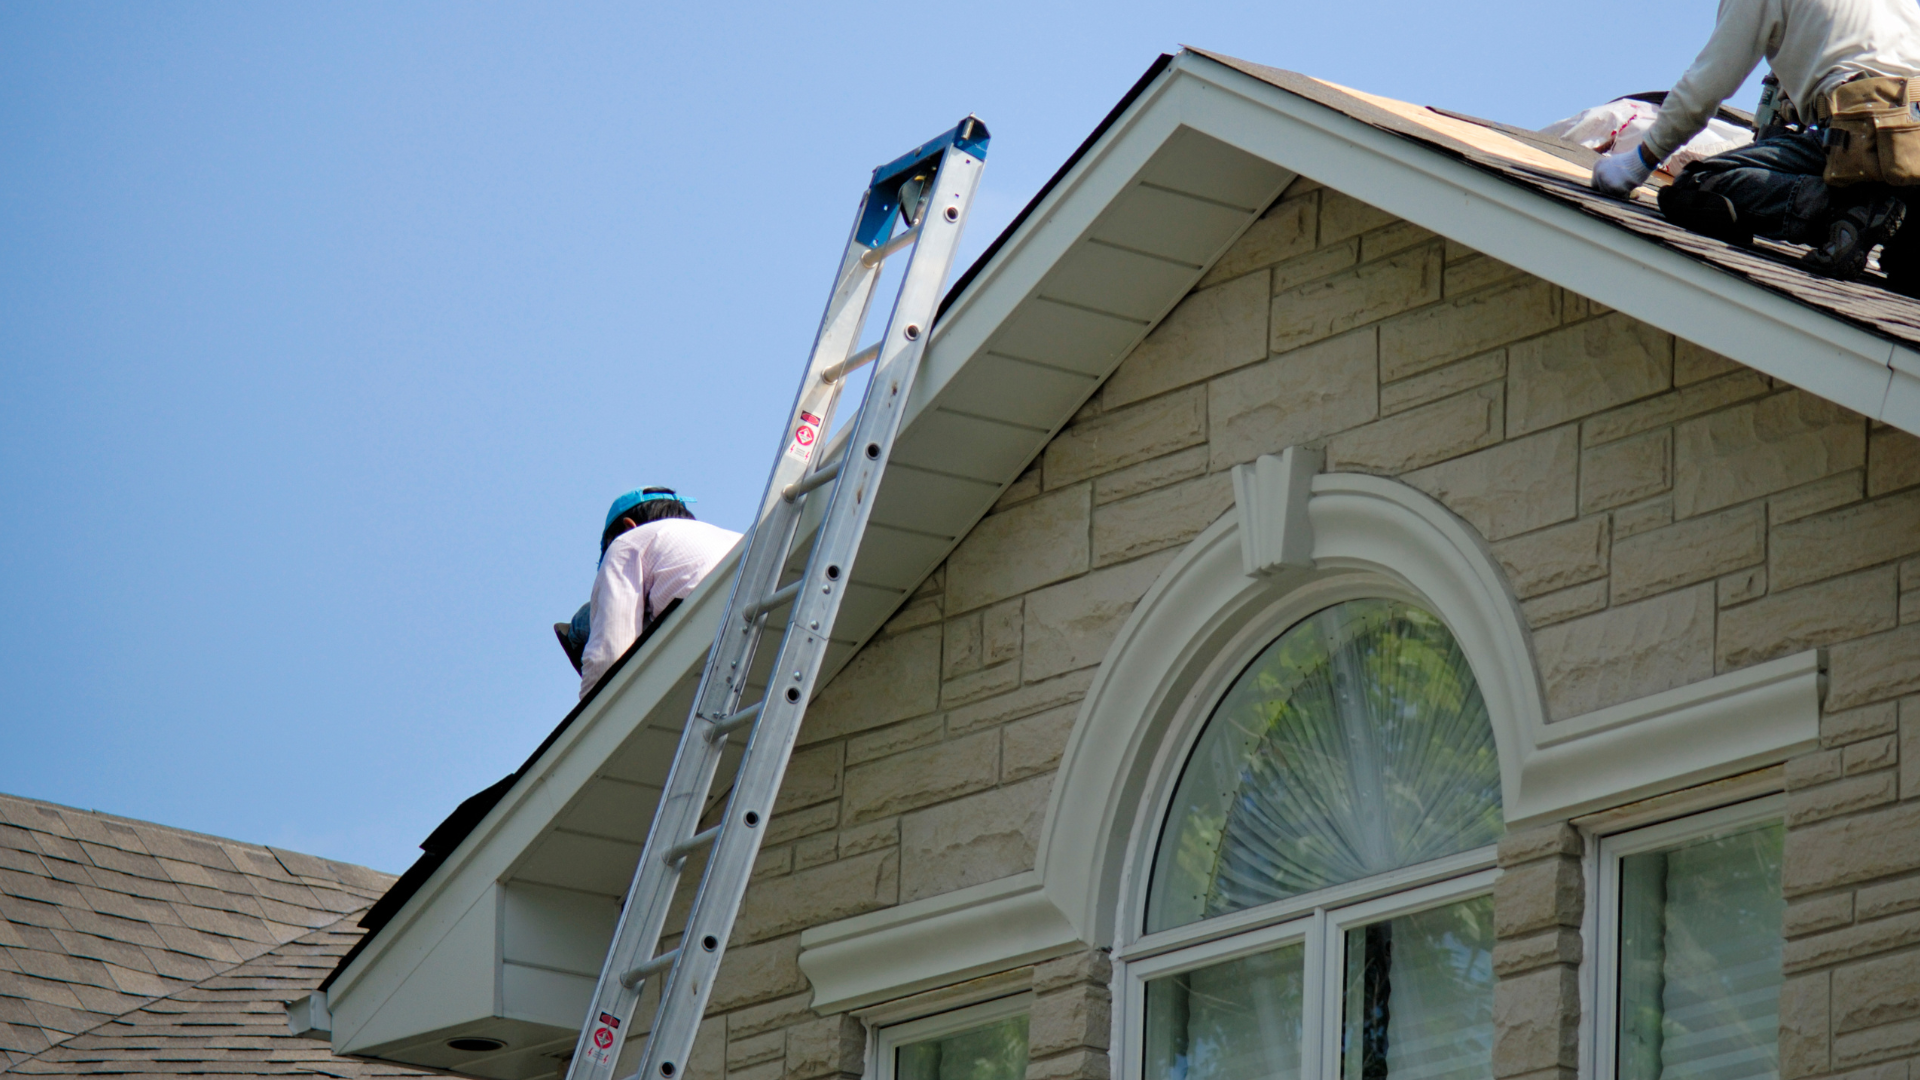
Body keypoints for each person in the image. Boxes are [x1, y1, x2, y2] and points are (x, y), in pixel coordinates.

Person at [1590, 0, 1920, 289]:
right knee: (1906, 270)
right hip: (1912, 159)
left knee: (1699, 185)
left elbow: (1705, 89)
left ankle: (1845, 209)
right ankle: (1886, 216)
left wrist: (1635, 166)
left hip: (1866, 138)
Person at [566, 487, 741, 699]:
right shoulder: (729, 536)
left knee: (584, 622)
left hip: (706, 633)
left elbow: (610, 653)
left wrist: (590, 718)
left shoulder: (626, 541)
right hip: (756, 619)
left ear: (627, 527)